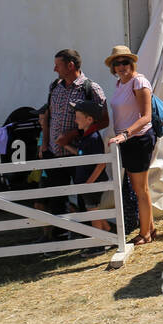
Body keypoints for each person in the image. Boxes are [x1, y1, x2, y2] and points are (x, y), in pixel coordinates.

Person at [38, 49, 107, 218]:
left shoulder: (91, 88)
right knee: (56, 198)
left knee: (84, 198)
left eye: (57, 65)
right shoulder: (55, 86)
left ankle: (86, 237)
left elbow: (104, 121)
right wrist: (44, 144)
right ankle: (59, 237)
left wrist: (73, 134)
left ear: (70, 66)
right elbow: (49, 117)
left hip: (79, 155)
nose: (55, 69)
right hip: (54, 153)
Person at [104, 45, 157, 245]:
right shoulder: (120, 84)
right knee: (140, 187)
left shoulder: (139, 82)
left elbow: (146, 117)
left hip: (138, 139)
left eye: (125, 62)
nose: (121, 66)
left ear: (131, 63)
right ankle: (150, 228)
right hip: (126, 140)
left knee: (140, 188)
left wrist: (125, 134)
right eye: (117, 63)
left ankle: (145, 235)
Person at [71, 101, 112, 236]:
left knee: (92, 211)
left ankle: (98, 244)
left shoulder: (93, 138)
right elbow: (82, 154)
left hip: (91, 183)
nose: (75, 120)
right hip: (87, 183)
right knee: (94, 210)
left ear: (89, 119)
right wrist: (66, 146)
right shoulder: (87, 136)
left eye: (78, 117)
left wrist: (89, 184)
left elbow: (101, 164)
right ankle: (106, 231)